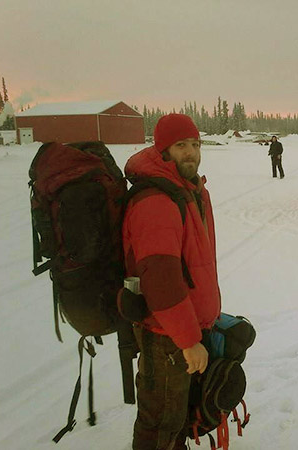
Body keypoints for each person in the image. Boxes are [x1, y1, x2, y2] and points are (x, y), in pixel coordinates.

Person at [122, 114, 222, 450]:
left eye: (195, 144)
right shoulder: (156, 200)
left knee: (178, 415)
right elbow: (161, 280)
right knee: (161, 421)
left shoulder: (190, 191)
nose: (191, 152)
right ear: (163, 150)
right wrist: (188, 339)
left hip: (182, 328)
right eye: (181, 145)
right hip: (165, 334)